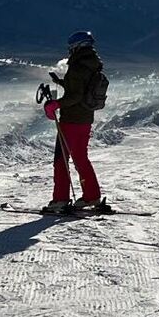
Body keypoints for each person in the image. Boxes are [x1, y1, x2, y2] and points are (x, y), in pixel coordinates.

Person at [45, 30, 108, 213]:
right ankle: (91, 195)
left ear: (77, 47)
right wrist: (62, 82)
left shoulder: (77, 67)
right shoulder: (91, 65)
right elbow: (80, 88)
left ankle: (60, 200)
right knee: (81, 158)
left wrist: (55, 104)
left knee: (61, 160)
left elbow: (75, 96)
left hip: (70, 120)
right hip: (85, 119)